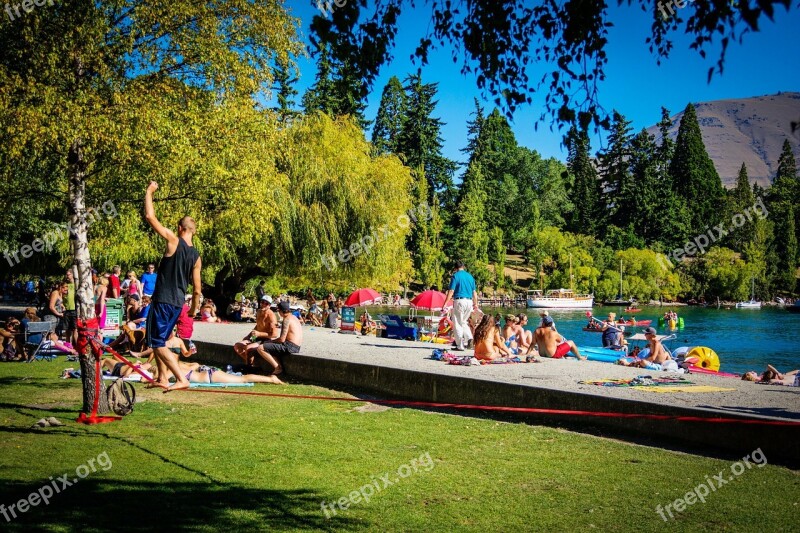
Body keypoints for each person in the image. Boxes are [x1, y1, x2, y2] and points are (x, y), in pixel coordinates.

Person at [144, 181, 202, 392]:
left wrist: (149, 191)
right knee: (161, 341)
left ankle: (180, 378)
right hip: (178, 304)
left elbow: (150, 217)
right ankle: (162, 377)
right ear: (193, 231)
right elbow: (197, 290)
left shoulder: (173, 240)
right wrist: (194, 311)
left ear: (180, 228)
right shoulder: (196, 257)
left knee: (156, 343)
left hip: (162, 300)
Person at [254, 301, 302, 376]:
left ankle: (278, 368)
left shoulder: (286, 320)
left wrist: (270, 341)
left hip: (289, 346)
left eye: (278, 311)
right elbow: (290, 329)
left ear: (280, 311)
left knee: (261, 348)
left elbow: (281, 339)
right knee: (270, 348)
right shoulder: (293, 317)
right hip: (297, 346)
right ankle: (279, 367)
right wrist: (279, 326)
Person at [442, 260, 478, 351]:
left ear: (455, 268)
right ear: (463, 267)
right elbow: (474, 292)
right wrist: (476, 303)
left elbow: (451, 291)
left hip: (459, 301)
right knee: (463, 321)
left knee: (457, 323)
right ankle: (469, 338)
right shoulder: (470, 276)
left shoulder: (455, 276)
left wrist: (445, 303)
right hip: (469, 302)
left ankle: (460, 345)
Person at [234, 295, 278, 363]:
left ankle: (249, 366)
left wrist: (259, 334)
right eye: (262, 302)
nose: (263, 304)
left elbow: (275, 334)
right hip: (256, 336)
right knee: (237, 346)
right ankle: (251, 363)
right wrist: (249, 335)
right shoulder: (259, 312)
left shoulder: (271, 316)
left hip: (265, 338)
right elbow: (258, 326)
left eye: (266, 303)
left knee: (248, 348)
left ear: (269, 305)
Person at [64, 269, 77, 345]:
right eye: (67, 274)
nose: (67, 276)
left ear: (73, 275)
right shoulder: (65, 285)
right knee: (67, 330)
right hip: (67, 310)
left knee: (75, 329)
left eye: (68, 274)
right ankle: (68, 346)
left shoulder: (76, 284)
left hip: (75, 309)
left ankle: (76, 345)